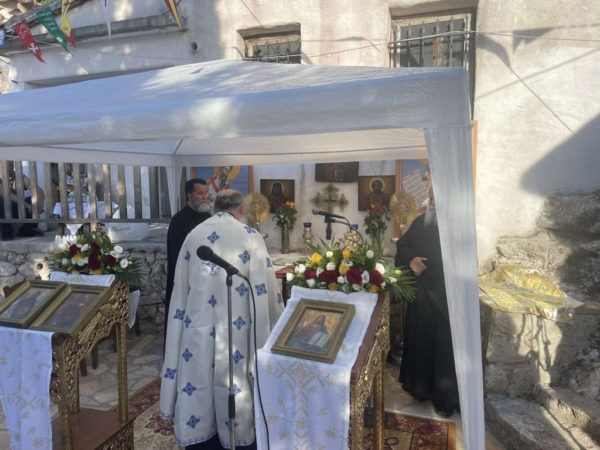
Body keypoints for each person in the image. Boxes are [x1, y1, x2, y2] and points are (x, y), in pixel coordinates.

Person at [160, 189, 283, 450]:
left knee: (199, 375)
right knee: (236, 381)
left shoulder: (194, 235)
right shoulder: (250, 236)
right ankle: (240, 436)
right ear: (241, 209)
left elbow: (180, 290)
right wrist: (275, 322)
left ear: (215, 206)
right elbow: (267, 291)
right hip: (239, 329)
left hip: (197, 325)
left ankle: (202, 436)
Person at [394, 188, 459, 418]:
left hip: (443, 297)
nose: (433, 201)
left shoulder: (457, 225)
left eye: (437, 196)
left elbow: (457, 258)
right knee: (419, 342)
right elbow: (403, 244)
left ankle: (444, 399)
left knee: (442, 348)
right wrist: (410, 260)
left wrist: (427, 267)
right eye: (431, 196)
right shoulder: (420, 222)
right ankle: (419, 389)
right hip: (420, 295)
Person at [165, 178, 212, 339]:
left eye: (206, 193)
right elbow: (178, 253)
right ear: (189, 195)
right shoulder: (179, 220)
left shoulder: (208, 217)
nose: (204, 197)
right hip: (186, 277)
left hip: (205, 276)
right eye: (200, 193)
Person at [0, 161, 45, 240]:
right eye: (8, 164)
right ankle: (7, 233)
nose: (11, 167)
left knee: (33, 200)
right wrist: (27, 206)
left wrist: (39, 205)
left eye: (12, 164)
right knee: (2, 203)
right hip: (2, 211)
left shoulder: (17, 176)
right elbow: (5, 194)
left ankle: (27, 229)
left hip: (15, 208)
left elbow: (38, 190)